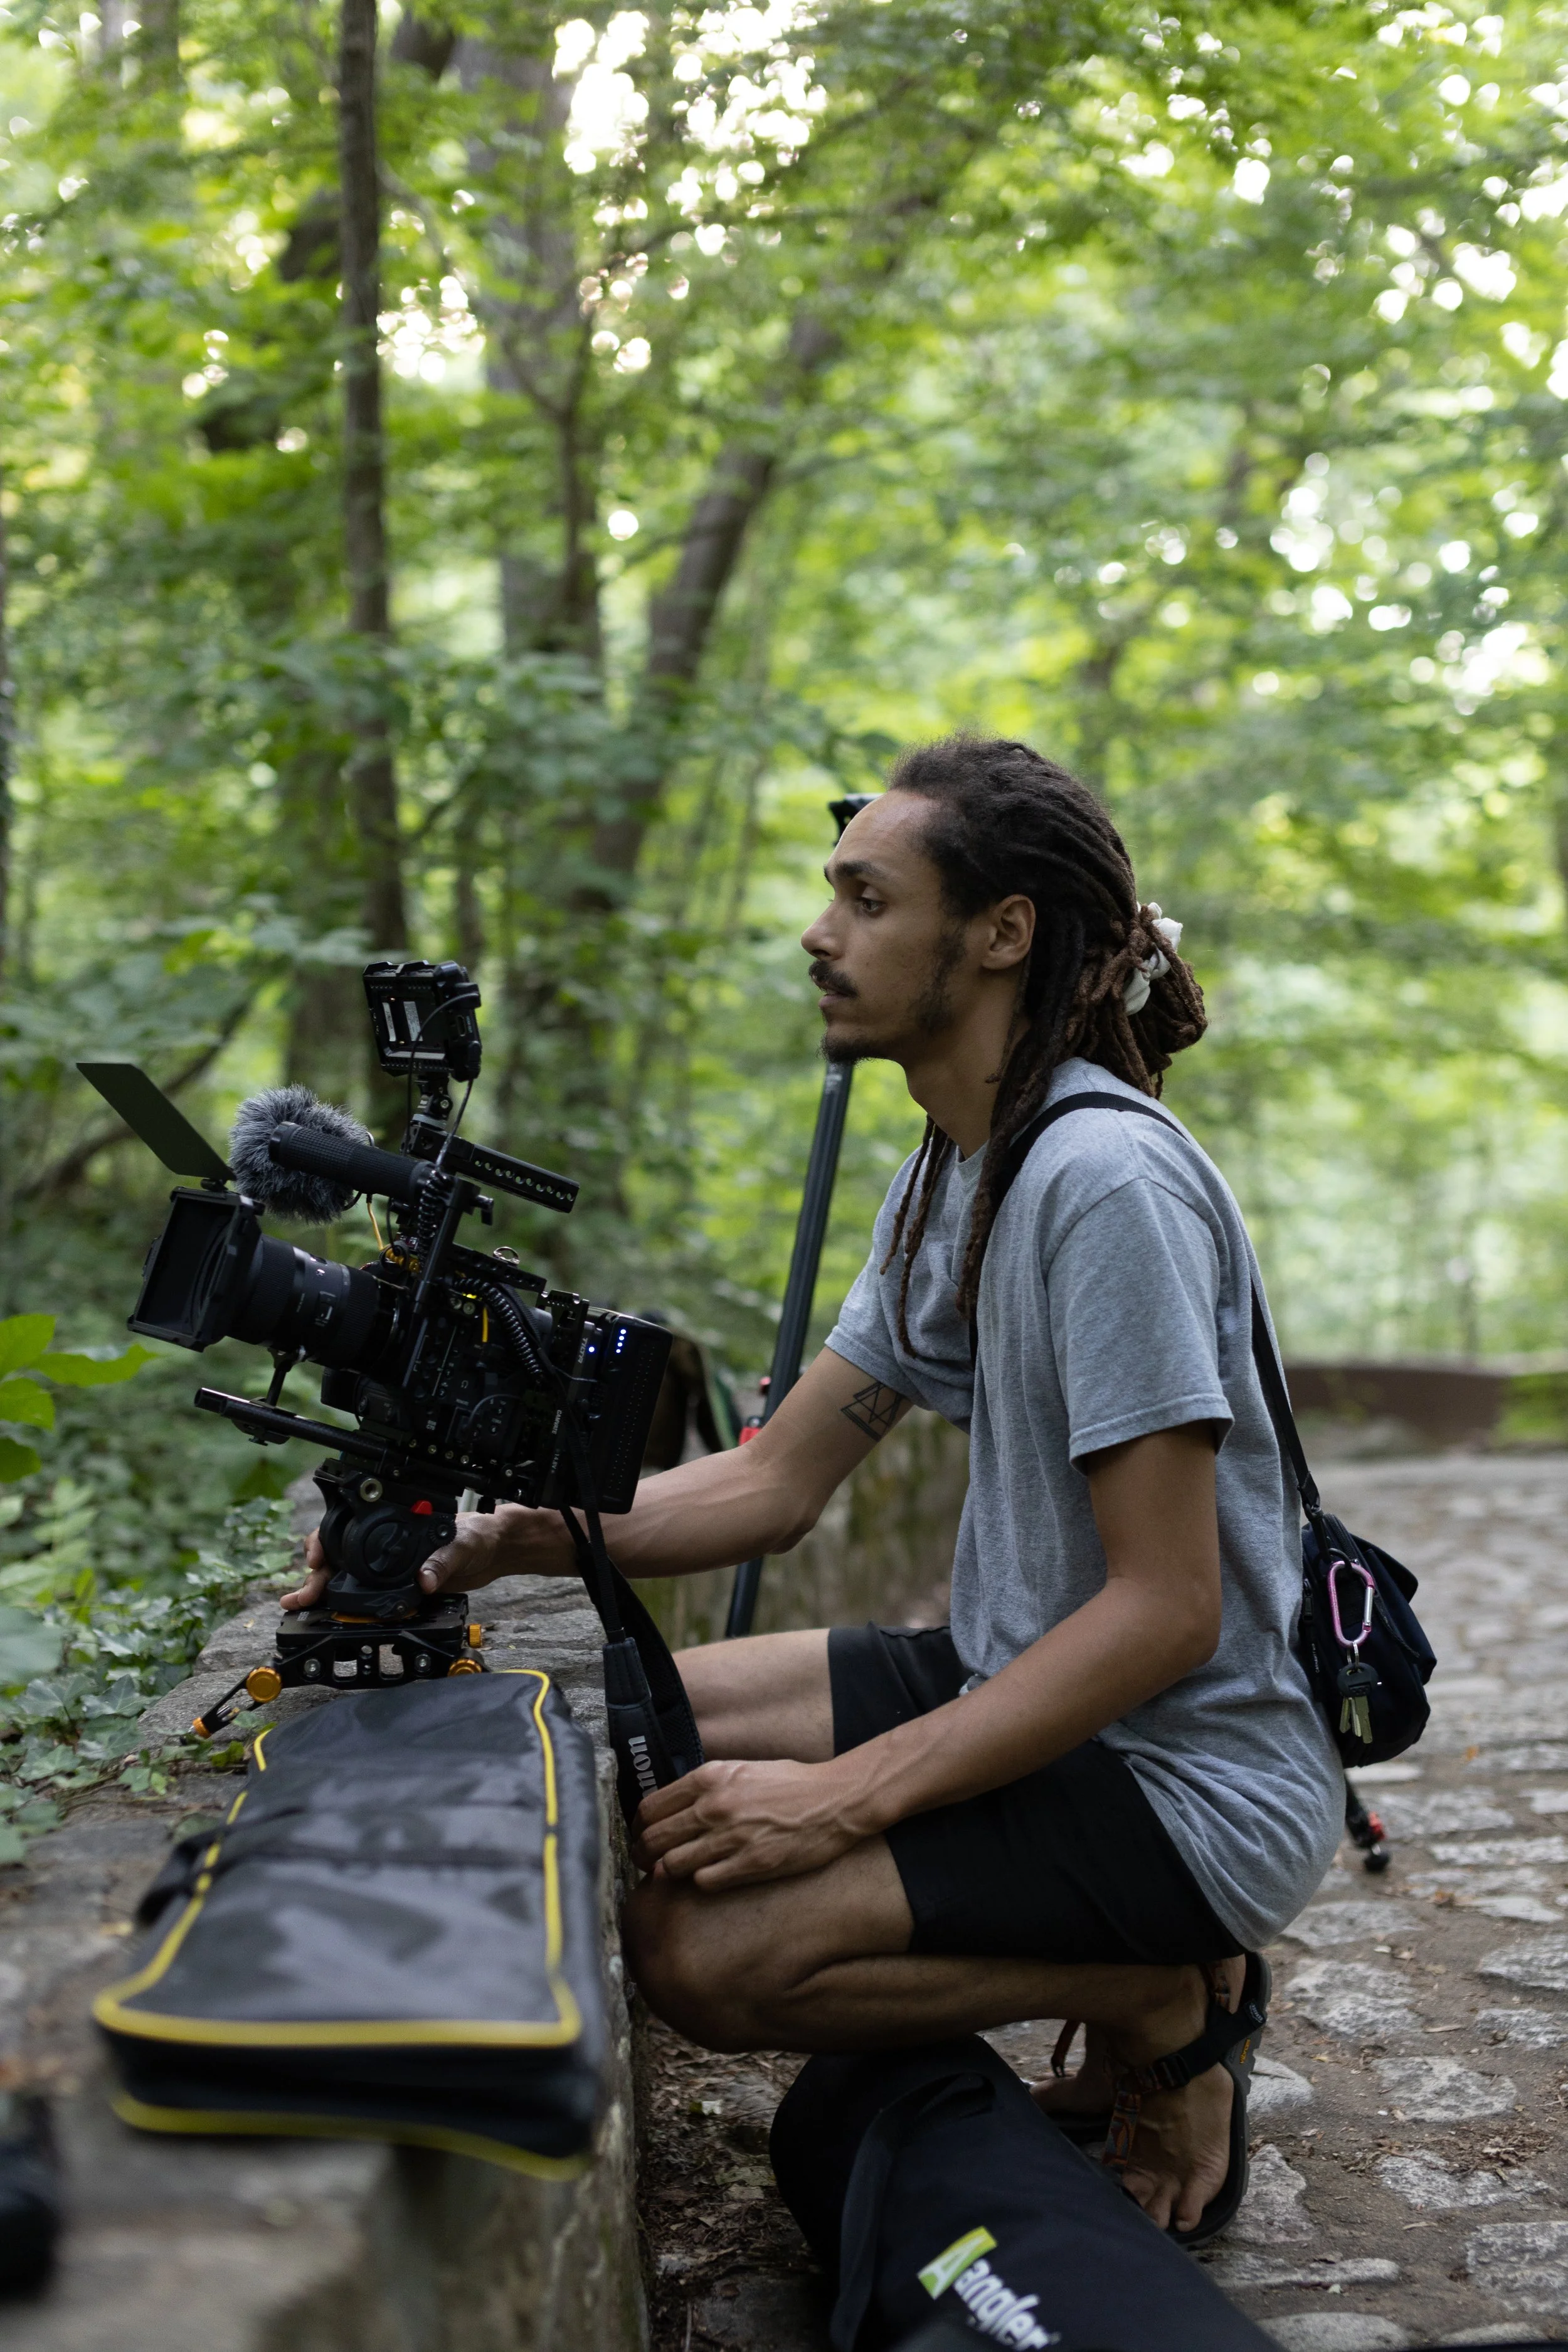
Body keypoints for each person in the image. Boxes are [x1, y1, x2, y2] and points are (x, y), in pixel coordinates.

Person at [285, 734, 1344, 2242]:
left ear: (999, 934)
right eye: (828, 895)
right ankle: (1108, 1958)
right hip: (1017, 1681)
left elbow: (1168, 1614)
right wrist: (512, 1536)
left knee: (702, 1952)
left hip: (1184, 1776)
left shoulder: (1102, 1185)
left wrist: (836, 1802)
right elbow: (776, 1482)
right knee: (617, 1727)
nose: (817, 933)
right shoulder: (955, 1167)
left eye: (864, 896)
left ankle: (1171, 1995)